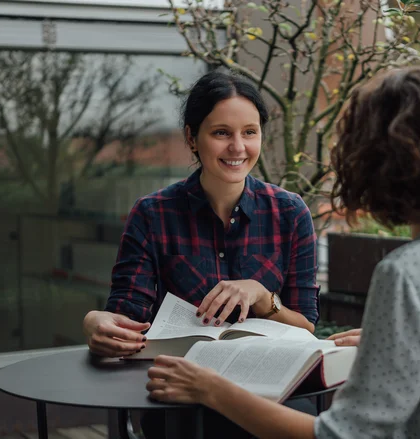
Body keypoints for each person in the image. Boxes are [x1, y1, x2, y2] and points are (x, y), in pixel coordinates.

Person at [145, 65, 420, 439]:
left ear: (374, 164)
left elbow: (338, 435)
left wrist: (211, 389)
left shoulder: (408, 274)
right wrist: (414, 345)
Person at [82, 69, 320, 436]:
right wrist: (95, 322)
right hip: (182, 400)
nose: (238, 148)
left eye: (250, 132)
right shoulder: (153, 214)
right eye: (221, 133)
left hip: (269, 396)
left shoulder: (290, 214)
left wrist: (261, 295)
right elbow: (125, 320)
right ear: (192, 138)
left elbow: (306, 328)